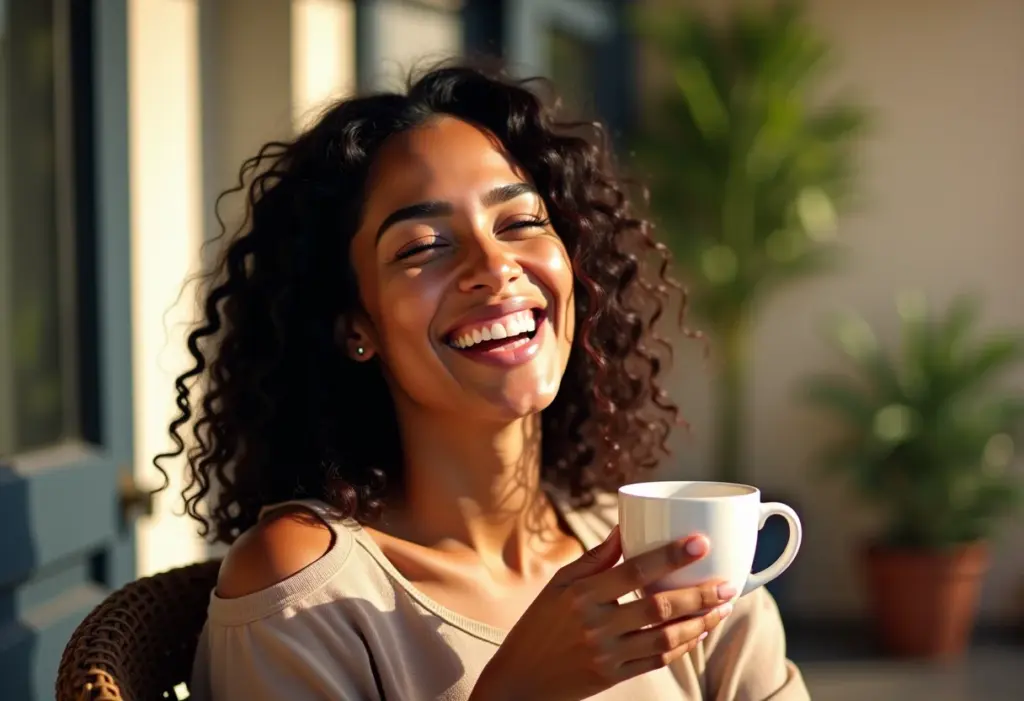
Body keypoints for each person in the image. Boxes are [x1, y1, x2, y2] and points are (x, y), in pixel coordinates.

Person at [162, 64, 809, 701]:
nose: (494, 266)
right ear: (355, 324)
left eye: (521, 223)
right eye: (422, 246)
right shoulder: (303, 589)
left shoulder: (662, 554)